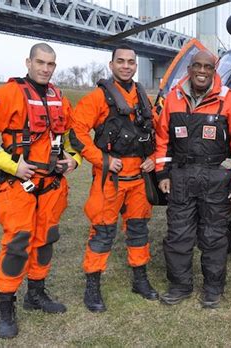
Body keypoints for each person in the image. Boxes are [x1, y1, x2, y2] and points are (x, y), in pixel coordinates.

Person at [0, 43, 80, 339]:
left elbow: (73, 138)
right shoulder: (7, 95)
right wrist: (11, 164)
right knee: (18, 243)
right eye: (40, 62)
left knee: (45, 240)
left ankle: (36, 294)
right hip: (18, 185)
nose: (45, 68)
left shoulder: (61, 99)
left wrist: (73, 159)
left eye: (51, 64)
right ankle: (6, 304)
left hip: (52, 186)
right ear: (28, 62)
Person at [155, 50, 231, 309]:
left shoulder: (229, 100)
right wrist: (162, 173)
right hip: (181, 177)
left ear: (214, 70)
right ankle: (179, 285)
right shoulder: (173, 99)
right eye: (196, 66)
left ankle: (213, 288)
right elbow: (162, 139)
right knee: (178, 235)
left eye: (207, 67)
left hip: (215, 178)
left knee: (213, 236)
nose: (201, 71)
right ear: (188, 69)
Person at [70, 45, 158, 313]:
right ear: (111, 65)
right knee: (103, 231)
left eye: (131, 62)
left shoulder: (144, 97)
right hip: (111, 177)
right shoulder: (97, 98)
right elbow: (77, 132)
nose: (126, 66)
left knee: (139, 230)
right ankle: (92, 285)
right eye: (120, 61)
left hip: (139, 179)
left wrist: (153, 157)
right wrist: (103, 160)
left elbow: (155, 130)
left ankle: (140, 280)